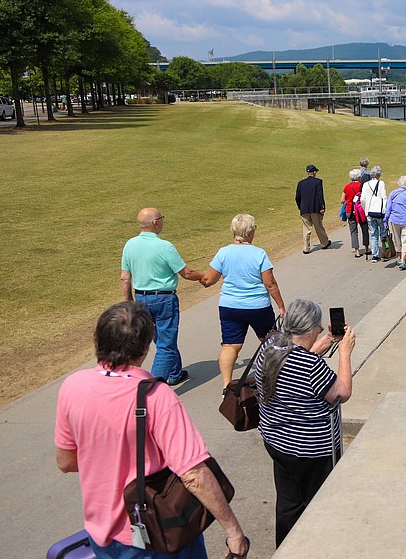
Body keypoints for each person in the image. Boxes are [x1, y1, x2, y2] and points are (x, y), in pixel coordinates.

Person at [55, 302, 250, 558]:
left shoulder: (72, 386)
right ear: (146, 346)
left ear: (98, 340)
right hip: (155, 535)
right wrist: (234, 532)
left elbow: (66, 462)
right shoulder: (156, 396)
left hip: (102, 536)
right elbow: (194, 474)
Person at [255, 299, 356, 547]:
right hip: (311, 451)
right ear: (310, 330)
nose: (321, 330)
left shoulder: (270, 347)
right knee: (319, 503)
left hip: (278, 442)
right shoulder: (310, 366)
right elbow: (341, 392)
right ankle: (317, 547)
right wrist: (344, 353)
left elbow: (297, 359)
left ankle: (286, 547)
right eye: (319, 328)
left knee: (289, 503)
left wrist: (329, 341)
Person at [200, 214, 286, 390]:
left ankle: (227, 385)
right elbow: (270, 283)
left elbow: (209, 280)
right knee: (269, 341)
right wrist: (281, 306)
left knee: (231, 344)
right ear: (250, 232)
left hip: (230, 305)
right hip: (257, 306)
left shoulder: (223, 252)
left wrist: (198, 278)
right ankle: (275, 379)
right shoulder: (259, 253)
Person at [120, 207, 204, 386]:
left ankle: (174, 373)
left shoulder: (130, 245)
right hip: (164, 299)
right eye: (162, 218)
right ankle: (150, 388)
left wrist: (128, 301)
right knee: (166, 345)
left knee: (162, 339)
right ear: (155, 222)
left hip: (141, 298)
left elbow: (125, 277)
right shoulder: (164, 246)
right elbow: (186, 273)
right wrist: (204, 278)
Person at [295, 164, 331, 254]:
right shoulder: (318, 182)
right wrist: (322, 207)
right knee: (318, 226)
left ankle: (306, 247)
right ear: (314, 172)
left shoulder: (301, 183)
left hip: (304, 209)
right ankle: (324, 243)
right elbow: (320, 195)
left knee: (306, 229)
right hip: (315, 208)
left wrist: (300, 206)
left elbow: (297, 197)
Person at [360, 166, 387, 262]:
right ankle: (385, 251)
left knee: (373, 234)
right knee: (383, 233)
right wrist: (385, 210)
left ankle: (375, 254)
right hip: (379, 212)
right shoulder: (381, 183)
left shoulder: (366, 184)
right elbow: (384, 197)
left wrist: (365, 209)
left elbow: (362, 199)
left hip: (370, 212)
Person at [341, 169, 370, 258]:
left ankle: (357, 251)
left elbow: (342, 200)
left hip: (350, 210)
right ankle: (366, 248)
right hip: (360, 210)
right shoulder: (362, 186)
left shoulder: (347, 187)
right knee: (364, 229)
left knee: (353, 231)